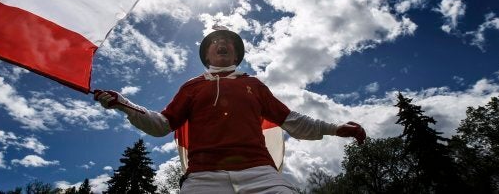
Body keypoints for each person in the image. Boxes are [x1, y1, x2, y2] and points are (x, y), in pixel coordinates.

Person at [95, 26, 366, 193]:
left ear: (235, 55)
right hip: (202, 177)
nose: (221, 43)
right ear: (207, 55)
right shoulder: (192, 86)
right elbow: (162, 125)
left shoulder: (253, 85)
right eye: (214, 41)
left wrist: (335, 128)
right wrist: (124, 105)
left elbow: (292, 120)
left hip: (261, 173)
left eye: (227, 41)